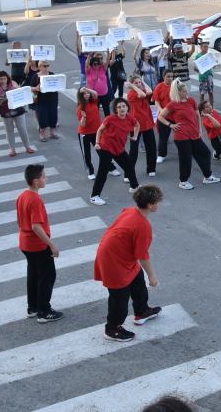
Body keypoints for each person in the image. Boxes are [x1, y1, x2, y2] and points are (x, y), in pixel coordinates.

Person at [94, 185, 164, 342]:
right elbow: (142, 256)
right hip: (113, 261)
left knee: (137, 280)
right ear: (151, 205)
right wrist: (152, 277)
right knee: (119, 298)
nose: (159, 204)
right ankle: (112, 329)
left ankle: (142, 311)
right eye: (158, 201)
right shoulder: (143, 226)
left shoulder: (131, 210)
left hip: (120, 256)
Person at [17, 163, 63, 323]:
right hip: (37, 245)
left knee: (34, 274)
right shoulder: (36, 200)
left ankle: (33, 307)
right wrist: (51, 244)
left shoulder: (23, 195)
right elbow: (36, 226)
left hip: (25, 243)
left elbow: (19, 220)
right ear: (36, 181)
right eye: (44, 176)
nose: (46, 178)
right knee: (48, 276)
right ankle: (44, 311)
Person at [158, 79, 220, 190]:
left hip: (194, 133)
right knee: (186, 159)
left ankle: (207, 176)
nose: (187, 93)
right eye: (184, 91)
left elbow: (197, 116)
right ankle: (183, 181)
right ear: (178, 92)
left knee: (205, 153)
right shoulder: (173, 104)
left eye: (186, 91)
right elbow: (160, 116)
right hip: (181, 136)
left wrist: (199, 130)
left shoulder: (191, 101)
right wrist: (170, 125)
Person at [90, 98, 140, 205]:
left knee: (129, 166)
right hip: (106, 148)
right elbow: (100, 130)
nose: (122, 108)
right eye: (119, 107)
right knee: (102, 173)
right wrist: (97, 143)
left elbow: (137, 125)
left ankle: (134, 187)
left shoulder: (130, 118)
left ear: (127, 108)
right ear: (116, 109)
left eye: (123, 106)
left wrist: (135, 136)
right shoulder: (110, 119)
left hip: (119, 149)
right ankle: (94, 196)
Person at [0, 70, 35, 157]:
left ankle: (27, 147)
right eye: (1, 79)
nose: (3, 81)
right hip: (5, 111)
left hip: (17, 109)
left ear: (7, 78)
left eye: (4, 78)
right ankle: (12, 150)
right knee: (9, 130)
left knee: (22, 128)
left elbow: (20, 93)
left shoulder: (13, 83)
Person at [127, 76, 158, 178]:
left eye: (139, 82)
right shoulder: (131, 94)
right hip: (135, 125)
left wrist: (143, 81)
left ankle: (151, 169)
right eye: (136, 83)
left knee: (151, 147)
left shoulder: (143, 90)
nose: (139, 84)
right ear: (132, 85)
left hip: (147, 122)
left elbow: (149, 92)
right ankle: (128, 173)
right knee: (133, 150)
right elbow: (142, 94)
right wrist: (132, 86)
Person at [28, 60, 59, 142]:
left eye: (47, 65)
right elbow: (30, 88)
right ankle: (42, 134)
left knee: (53, 116)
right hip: (41, 100)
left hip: (52, 98)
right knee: (42, 117)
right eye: (44, 66)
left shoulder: (52, 74)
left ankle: (52, 133)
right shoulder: (35, 76)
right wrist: (35, 88)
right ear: (40, 67)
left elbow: (57, 84)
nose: (46, 67)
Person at [77, 86, 101, 179]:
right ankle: (90, 171)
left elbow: (95, 94)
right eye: (84, 93)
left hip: (96, 132)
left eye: (87, 93)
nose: (86, 94)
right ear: (80, 96)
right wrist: (84, 117)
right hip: (85, 133)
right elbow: (82, 124)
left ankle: (110, 167)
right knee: (87, 154)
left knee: (101, 151)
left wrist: (86, 89)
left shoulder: (93, 101)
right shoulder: (80, 107)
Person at [153, 69, 174, 164]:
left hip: (176, 114)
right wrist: (161, 110)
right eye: (168, 76)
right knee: (163, 137)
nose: (170, 78)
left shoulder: (176, 86)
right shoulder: (159, 87)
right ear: (163, 77)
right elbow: (156, 100)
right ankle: (162, 154)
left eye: (171, 76)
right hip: (164, 115)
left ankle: (188, 150)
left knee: (184, 133)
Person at [86, 52, 112, 117]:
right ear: (91, 64)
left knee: (107, 112)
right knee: (95, 112)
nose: (97, 65)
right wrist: (89, 56)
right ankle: (96, 124)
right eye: (95, 64)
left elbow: (108, 59)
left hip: (104, 94)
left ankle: (108, 125)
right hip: (94, 95)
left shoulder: (103, 69)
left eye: (98, 64)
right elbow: (86, 63)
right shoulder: (89, 70)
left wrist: (108, 51)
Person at [193, 39, 215, 106]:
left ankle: (211, 108)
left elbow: (213, 65)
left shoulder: (209, 55)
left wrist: (213, 64)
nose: (206, 48)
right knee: (202, 93)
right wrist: (199, 70)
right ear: (201, 47)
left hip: (209, 76)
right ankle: (201, 108)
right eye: (205, 47)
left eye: (207, 47)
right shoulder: (198, 56)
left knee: (210, 92)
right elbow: (195, 67)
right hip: (202, 77)